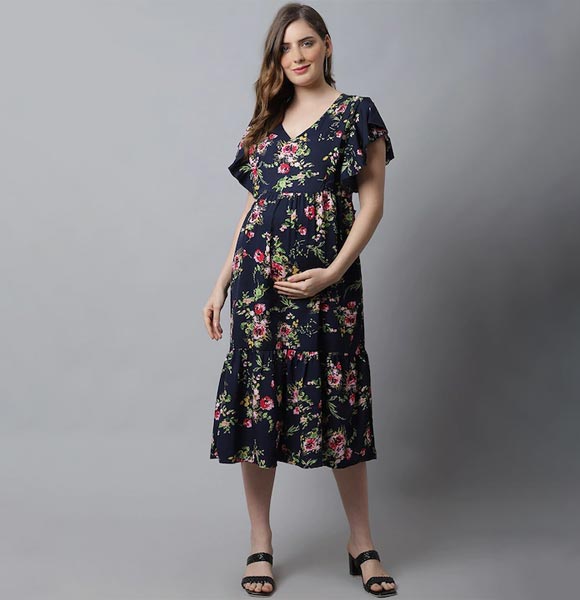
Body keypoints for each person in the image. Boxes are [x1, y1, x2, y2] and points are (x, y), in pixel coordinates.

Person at [203, 3, 397, 597]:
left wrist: (332, 273)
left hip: (327, 288)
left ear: (327, 44)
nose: (297, 56)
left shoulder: (356, 114)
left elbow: (372, 205)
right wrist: (221, 281)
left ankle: (361, 541)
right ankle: (260, 541)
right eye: (285, 48)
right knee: (258, 404)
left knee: (338, 399)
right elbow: (253, 208)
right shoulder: (266, 122)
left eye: (307, 42)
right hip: (259, 290)